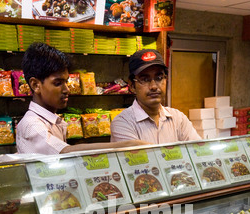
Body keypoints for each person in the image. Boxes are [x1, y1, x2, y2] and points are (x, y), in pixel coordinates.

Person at [16, 42, 146, 155]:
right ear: (35, 85)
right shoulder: (31, 124)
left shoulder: (51, 120)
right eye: (57, 83)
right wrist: (125, 146)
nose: (67, 89)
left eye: (66, 82)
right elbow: (65, 152)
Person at [110, 49, 201, 144]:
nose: (153, 86)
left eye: (159, 78)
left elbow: (198, 152)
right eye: (145, 79)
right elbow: (139, 158)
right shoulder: (123, 123)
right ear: (132, 86)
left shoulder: (178, 118)